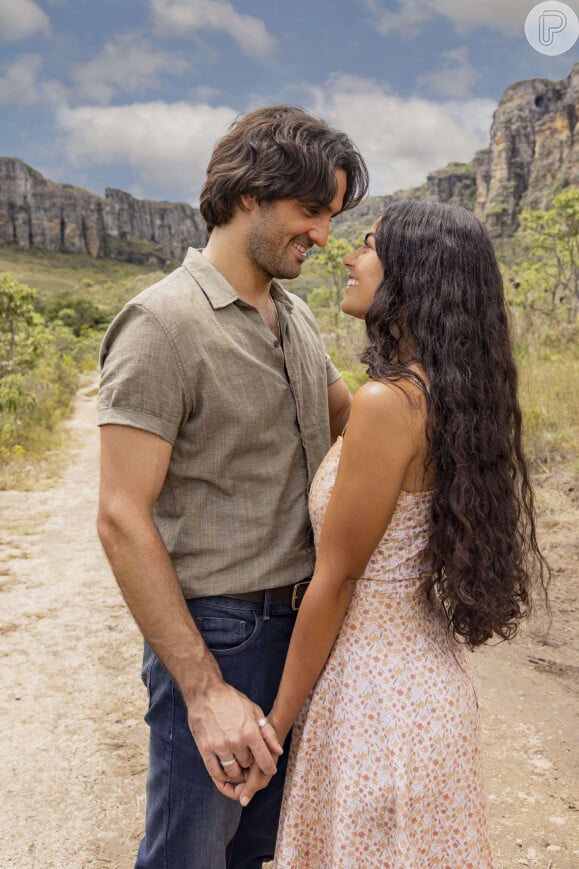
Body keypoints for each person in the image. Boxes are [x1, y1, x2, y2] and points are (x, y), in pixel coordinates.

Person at [234, 200, 550, 867]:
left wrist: (275, 730)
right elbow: (339, 410)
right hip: (426, 689)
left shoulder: (389, 405)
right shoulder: (444, 395)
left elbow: (339, 578)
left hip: (376, 700)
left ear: (414, 276)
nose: (347, 256)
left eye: (369, 245)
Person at [96, 105, 368, 869]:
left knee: (259, 850)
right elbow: (120, 517)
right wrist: (204, 688)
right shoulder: (163, 324)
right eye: (312, 210)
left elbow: (353, 421)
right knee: (188, 854)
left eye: (333, 216)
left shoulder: (296, 316)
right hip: (221, 632)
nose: (323, 234)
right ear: (251, 191)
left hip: (303, 633)